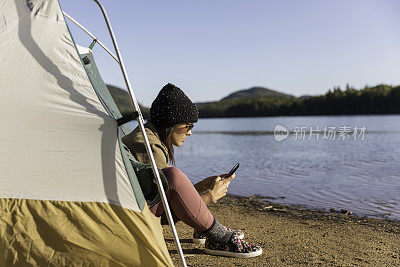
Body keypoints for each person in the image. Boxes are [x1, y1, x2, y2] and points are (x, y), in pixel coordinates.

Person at [122, 83, 262, 258]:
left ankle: (204, 228)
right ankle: (221, 238)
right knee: (174, 175)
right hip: (135, 218)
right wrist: (210, 197)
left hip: (133, 209)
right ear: (170, 123)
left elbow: (168, 196)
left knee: (176, 178)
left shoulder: (147, 136)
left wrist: (199, 188)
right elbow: (162, 216)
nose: (190, 133)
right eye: (188, 126)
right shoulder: (149, 147)